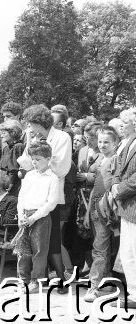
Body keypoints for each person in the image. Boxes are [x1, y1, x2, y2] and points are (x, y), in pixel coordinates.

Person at [17, 104, 71, 290]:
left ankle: (60, 279)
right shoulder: (35, 137)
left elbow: (61, 168)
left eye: (32, 125)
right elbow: (25, 164)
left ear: (40, 123)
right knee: (32, 245)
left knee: (51, 241)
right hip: (33, 195)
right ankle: (39, 278)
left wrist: (41, 163)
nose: (30, 129)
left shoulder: (62, 137)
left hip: (51, 196)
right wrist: (30, 143)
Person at [17, 142, 61, 294]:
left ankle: (36, 280)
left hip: (41, 217)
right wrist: (21, 214)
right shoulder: (29, 175)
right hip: (25, 215)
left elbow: (50, 203)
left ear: (48, 159)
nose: (35, 162)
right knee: (23, 250)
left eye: (38, 159)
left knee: (39, 250)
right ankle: (23, 279)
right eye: (33, 159)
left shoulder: (53, 178)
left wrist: (34, 217)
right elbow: (21, 196)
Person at [83, 126, 118, 302]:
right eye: (101, 141)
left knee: (100, 248)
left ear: (115, 143)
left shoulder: (115, 160)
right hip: (95, 208)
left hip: (107, 209)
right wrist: (88, 211)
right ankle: (107, 280)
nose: (102, 145)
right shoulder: (100, 160)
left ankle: (94, 285)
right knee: (102, 246)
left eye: (107, 142)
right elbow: (93, 190)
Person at [110, 113, 136, 308]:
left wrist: (119, 190)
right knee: (127, 253)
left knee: (133, 253)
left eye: (125, 122)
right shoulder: (127, 143)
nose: (121, 124)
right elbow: (119, 169)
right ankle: (133, 294)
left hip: (132, 205)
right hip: (126, 206)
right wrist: (115, 185)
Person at [0, 119, 25, 196]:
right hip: (4, 184)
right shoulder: (6, 148)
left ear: (12, 133)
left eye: (4, 133)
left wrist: (8, 188)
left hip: (14, 187)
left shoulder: (18, 147)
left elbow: (14, 170)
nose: (1, 135)